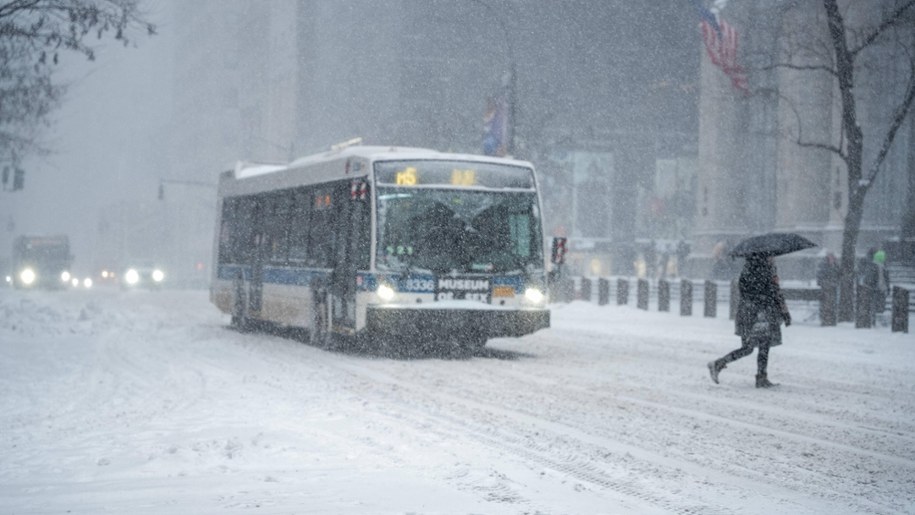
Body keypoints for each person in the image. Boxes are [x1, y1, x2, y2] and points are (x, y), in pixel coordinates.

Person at [708, 255, 791, 388]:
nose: (773, 258)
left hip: (756, 313)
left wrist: (784, 311)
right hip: (754, 314)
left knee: (761, 346)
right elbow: (755, 293)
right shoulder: (755, 271)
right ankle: (720, 364)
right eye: (771, 256)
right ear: (764, 257)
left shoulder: (762, 270)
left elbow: (775, 293)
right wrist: (770, 287)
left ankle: (760, 377)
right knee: (751, 347)